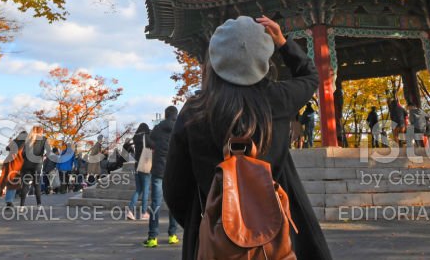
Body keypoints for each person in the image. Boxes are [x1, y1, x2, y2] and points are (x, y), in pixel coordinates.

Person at [164, 15, 333, 260]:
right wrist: (284, 44)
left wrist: (205, 222)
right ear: (263, 59)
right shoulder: (279, 99)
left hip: (212, 235)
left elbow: (175, 189)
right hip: (275, 236)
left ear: (215, 59)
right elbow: (310, 77)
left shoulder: (195, 111)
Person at [144, 106, 179, 247]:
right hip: (174, 171)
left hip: (158, 170)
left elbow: (148, 143)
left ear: (165, 115)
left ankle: (152, 238)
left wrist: (157, 146)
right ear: (175, 115)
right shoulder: (179, 128)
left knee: (155, 204)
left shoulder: (157, 128)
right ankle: (173, 235)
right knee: (174, 205)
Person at [127, 122, 152, 221]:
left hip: (137, 165)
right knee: (145, 190)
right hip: (145, 165)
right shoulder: (146, 137)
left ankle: (130, 211)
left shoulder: (135, 138)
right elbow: (153, 145)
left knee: (138, 190)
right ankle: (144, 213)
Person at [19, 125, 47, 207]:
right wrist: (43, 157)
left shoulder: (28, 139)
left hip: (26, 164)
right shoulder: (44, 139)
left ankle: (22, 206)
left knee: (25, 185)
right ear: (41, 131)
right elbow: (48, 152)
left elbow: (22, 153)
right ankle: (39, 204)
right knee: (37, 184)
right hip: (37, 164)